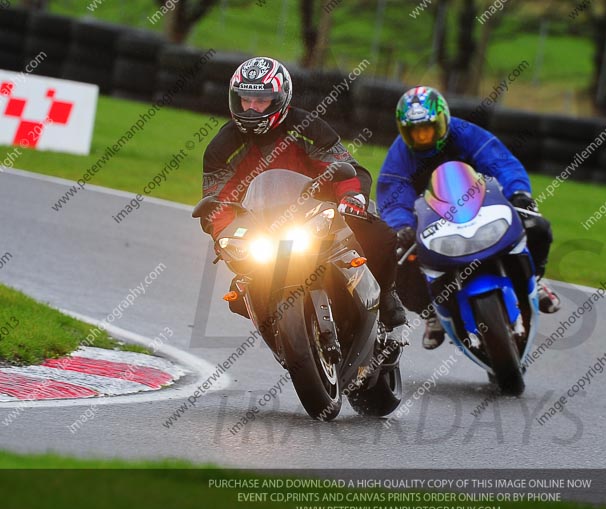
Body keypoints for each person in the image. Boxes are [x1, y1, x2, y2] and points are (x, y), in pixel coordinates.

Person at [199, 56, 405, 329]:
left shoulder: (307, 128)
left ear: (280, 99)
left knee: (380, 235)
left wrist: (351, 199)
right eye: (245, 100)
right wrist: (224, 234)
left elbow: (346, 168)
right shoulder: (221, 148)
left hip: (321, 216)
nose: (251, 108)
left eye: (261, 101)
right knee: (240, 296)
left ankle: (387, 296)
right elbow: (216, 204)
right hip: (263, 228)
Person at [377, 86, 560, 350]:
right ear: (403, 132)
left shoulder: (465, 133)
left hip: (480, 205)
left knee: (537, 225)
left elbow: (500, 161)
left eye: (429, 128)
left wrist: (518, 192)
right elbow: (393, 192)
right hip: (432, 220)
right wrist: (401, 226)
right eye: (414, 132)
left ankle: (535, 280)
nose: (423, 138)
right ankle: (433, 314)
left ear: (444, 121)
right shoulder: (400, 154)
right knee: (399, 262)